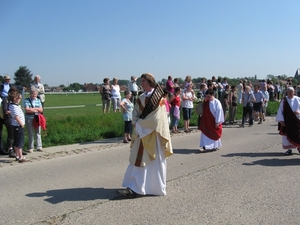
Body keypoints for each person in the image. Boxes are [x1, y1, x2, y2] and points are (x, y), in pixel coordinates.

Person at [117, 73, 173, 198]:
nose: (141, 84)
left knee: (151, 161)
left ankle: (150, 187)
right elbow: (135, 112)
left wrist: (139, 125)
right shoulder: (140, 98)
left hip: (154, 134)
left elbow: (157, 119)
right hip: (141, 132)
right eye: (141, 81)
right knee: (137, 160)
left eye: (143, 81)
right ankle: (135, 186)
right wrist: (136, 123)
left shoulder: (160, 99)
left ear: (150, 82)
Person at [276, 87, 300, 155]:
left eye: (291, 92)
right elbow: (280, 111)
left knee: (298, 135)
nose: (290, 93)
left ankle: (299, 147)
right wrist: (281, 121)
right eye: (289, 92)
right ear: (287, 92)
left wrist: (298, 112)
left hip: (297, 120)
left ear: (294, 92)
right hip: (287, 121)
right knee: (287, 135)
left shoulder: (298, 99)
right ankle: (289, 149)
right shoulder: (284, 101)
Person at [8, 91, 29, 162]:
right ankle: (20, 157)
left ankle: (17, 155)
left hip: (16, 126)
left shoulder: (14, 106)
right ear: (15, 98)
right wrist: (21, 124)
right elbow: (17, 117)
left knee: (16, 141)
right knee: (19, 142)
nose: (19, 99)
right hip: (18, 126)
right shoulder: (14, 107)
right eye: (18, 98)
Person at [24, 89, 43, 153]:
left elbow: (41, 110)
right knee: (30, 133)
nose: (34, 95)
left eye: (35, 94)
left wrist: (32, 109)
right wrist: (36, 109)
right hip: (29, 118)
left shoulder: (38, 100)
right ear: (30, 94)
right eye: (32, 94)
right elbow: (27, 110)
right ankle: (31, 147)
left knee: (38, 132)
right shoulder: (26, 100)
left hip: (37, 117)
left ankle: (39, 146)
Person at [0, 76, 14, 156]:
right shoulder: (2, 85)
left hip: (5, 114)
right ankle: (2, 148)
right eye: (7, 79)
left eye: (9, 79)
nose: (8, 80)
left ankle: (11, 148)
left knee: (11, 132)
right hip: (3, 111)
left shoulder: (10, 85)